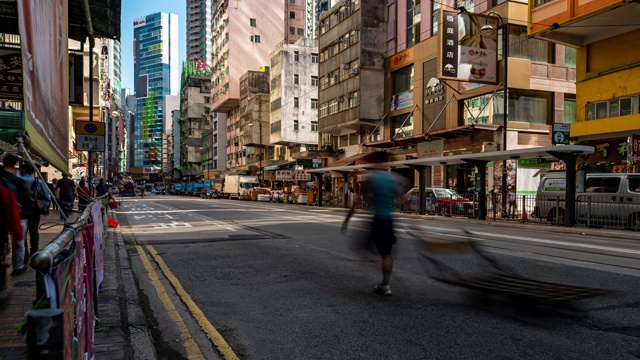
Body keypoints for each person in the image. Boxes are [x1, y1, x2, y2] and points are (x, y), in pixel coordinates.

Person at [341, 166, 404, 296]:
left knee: (360, 248)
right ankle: (385, 285)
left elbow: (357, 201)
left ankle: (378, 265)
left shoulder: (372, 179)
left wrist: (347, 220)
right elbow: (403, 195)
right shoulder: (392, 179)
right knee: (387, 254)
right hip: (389, 220)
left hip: (377, 220)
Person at [0, 154, 33, 275]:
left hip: (3, 216)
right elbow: (27, 200)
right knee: (18, 240)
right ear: (15, 166)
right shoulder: (18, 181)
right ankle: (18, 266)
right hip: (17, 215)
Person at [19, 162, 51, 264]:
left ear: (23, 170)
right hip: (34, 211)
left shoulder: (18, 181)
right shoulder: (38, 182)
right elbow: (46, 197)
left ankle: (24, 255)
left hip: (20, 211)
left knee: (22, 233)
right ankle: (34, 253)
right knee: (34, 232)